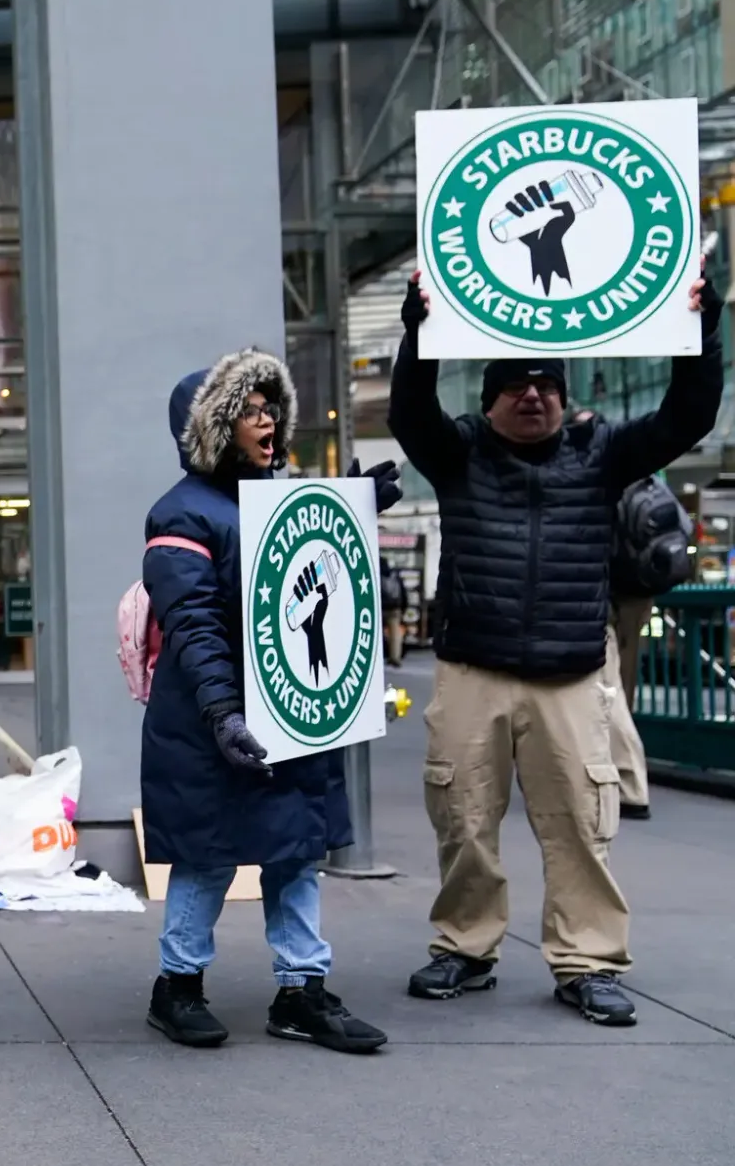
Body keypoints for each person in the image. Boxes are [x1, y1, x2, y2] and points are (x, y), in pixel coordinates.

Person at [389, 266, 722, 1026]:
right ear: (489, 398)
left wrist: (699, 331)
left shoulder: (602, 455)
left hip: (570, 675)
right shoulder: (457, 453)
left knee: (580, 823)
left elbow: (688, 416)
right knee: (464, 817)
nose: (532, 394)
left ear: (565, 397)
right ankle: (465, 946)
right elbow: (410, 411)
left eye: (546, 384)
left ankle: (588, 960)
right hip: (474, 664)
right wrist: (421, 331)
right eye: (515, 385)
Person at [139, 347, 397, 1054]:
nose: (268, 422)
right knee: (207, 855)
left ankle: (302, 990)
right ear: (213, 430)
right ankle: (178, 985)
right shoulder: (182, 514)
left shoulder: (271, 501)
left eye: (271, 408)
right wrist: (224, 713)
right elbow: (194, 625)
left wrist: (352, 510)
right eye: (249, 411)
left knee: (294, 849)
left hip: (285, 713)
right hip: (208, 720)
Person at [607, 461, 694, 822]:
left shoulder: (599, 480)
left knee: (605, 687)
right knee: (621, 685)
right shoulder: (648, 483)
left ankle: (626, 782)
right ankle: (615, 772)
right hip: (640, 596)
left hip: (604, 596)